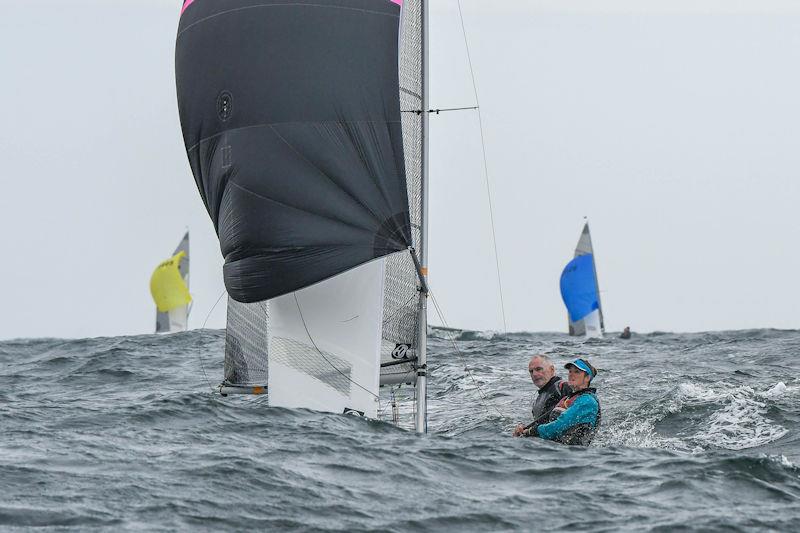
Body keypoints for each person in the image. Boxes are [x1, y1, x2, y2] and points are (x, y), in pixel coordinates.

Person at [520, 357, 601, 446]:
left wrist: (532, 431)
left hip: (576, 454)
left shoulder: (587, 401)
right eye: (570, 371)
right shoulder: (566, 399)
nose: (571, 375)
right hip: (559, 450)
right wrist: (524, 429)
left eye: (577, 372)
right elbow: (544, 420)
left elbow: (560, 425)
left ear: (587, 378)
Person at [512, 355, 571, 437]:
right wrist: (523, 428)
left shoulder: (564, 387)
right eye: (531, 371)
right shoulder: (537, 401)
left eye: (538, 369)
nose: (534, 374)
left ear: (552, 369)